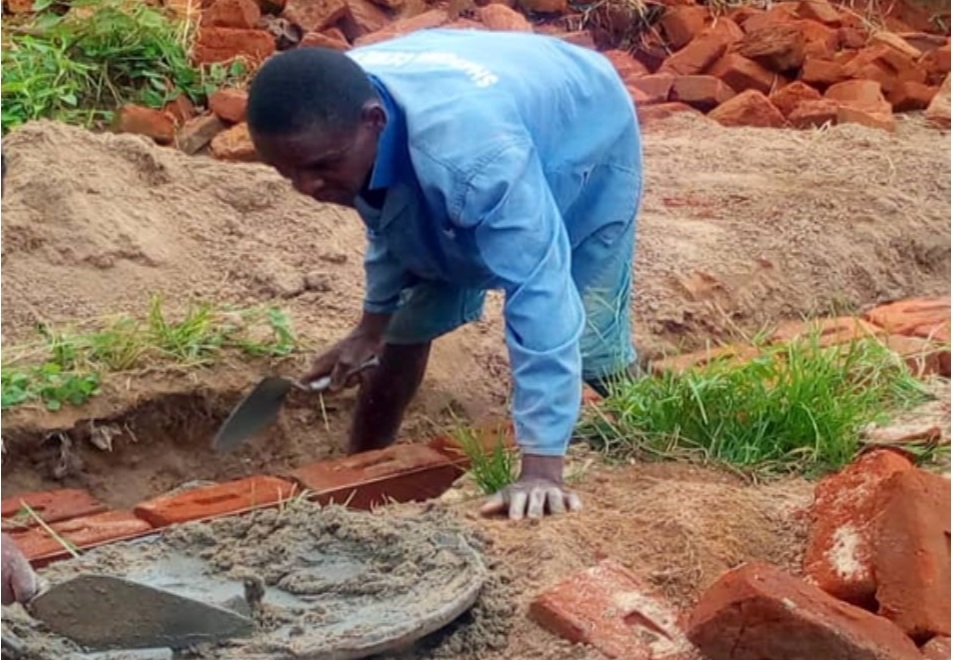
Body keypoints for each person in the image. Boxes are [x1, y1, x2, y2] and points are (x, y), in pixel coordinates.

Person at [246, 28, 643, 521]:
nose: (305, 187)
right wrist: (372, 328)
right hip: (492, 94)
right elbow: (388, 220)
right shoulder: (330, 106)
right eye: (287, 172)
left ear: (375, 122)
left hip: (584, 125)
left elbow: (539, 291)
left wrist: (540, 469)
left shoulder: (477, 162)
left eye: (321, 167)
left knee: (591, 340)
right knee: (407, 325)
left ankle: (653, 431)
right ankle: (359, 476)